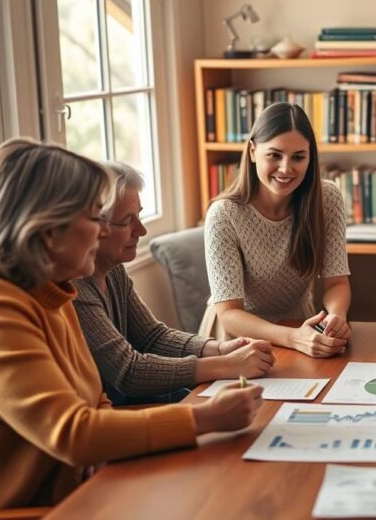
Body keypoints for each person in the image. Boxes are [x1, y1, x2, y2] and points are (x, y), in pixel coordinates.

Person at [0, 139, 263, 514]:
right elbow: (72, 433)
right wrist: (205, 418)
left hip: (62, 492)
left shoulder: (51, 291)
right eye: (95, 218)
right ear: (48, 231)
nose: (101, 232)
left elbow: (96, 401)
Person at [73, 161, 274, 406]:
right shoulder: (75, 287)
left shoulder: (113, 270)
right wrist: (225, 365)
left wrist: (221, 349)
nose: (142, 230)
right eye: (127, 221)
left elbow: (152, 337)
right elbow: (128, 372)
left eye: (140, 216)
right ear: (94, 226)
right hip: (115, 415)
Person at [205, 102, 351, 358]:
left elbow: (336, 281)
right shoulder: (224, 214)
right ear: (252, 151)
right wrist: (292, 338)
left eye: (298, 157)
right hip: (239, 340)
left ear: (310, 157)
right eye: (274, 155)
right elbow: (229, 313)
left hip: (299, 327)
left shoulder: (327, 198)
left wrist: (336, 316)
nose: (286, 169)